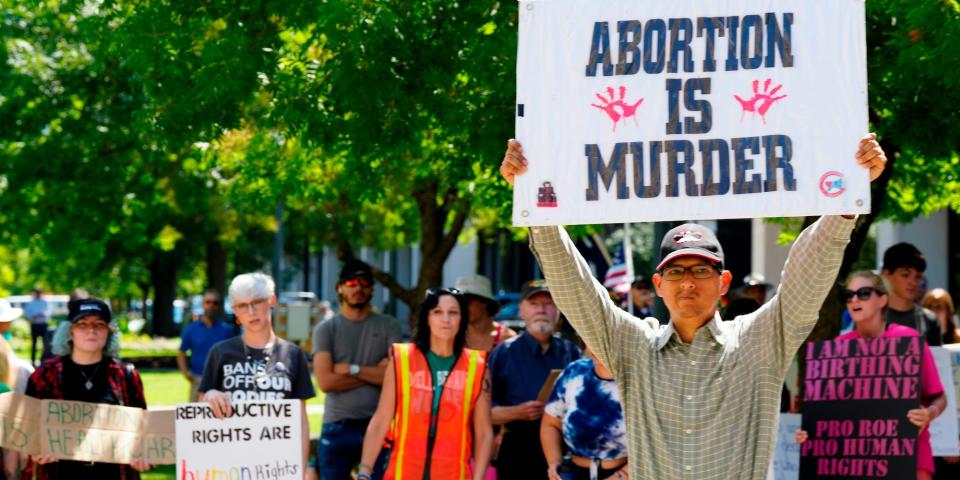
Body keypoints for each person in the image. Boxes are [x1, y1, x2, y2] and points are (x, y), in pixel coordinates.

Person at [499, 133, 887, 479]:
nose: (687, 281)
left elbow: (806, 279)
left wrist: (844, 204)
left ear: (723, 283)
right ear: (658, 285)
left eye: (701, 269)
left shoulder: (760, 340)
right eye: (676, 271)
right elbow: (577, 291)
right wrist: (536, 204)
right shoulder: (633, 346)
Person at [795, 271, 947, 480]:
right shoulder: (838, 348)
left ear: (883, 299)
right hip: (854, 466)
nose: (854, 300)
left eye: (864, 293)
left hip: (909, 461)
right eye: (848, 295)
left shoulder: (909, 340)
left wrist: (929, 413)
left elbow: (940, 397)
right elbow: (831, 412)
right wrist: (812, 434)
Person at [359, 288, 494, 480]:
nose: (446, 319)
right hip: (403, 472)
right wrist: (365, 471)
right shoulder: (402, 359)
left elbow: (484, 433)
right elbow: (381, 420)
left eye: (453, 313)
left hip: (453, 474)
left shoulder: (478, 366)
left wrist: (478, 478)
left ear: (462, 319)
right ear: (427, 318)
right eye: (438, 312)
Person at [24, 298, 151, 479]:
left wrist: (144, 453)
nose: (91, 330)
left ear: (109, 331)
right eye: (82, 324)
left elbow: (144, 427)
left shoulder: (125, 376)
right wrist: (35, 450)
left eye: (99, 324)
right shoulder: (44, 376)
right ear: (70, 331)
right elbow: (27, 428)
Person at [200, 273, 315, 470]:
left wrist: (301, 470)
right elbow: (200, 411)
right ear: (235, 311)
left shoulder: (292, 354)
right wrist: (210, 395)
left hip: (278, 466)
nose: (251, 311)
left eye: (257, 302)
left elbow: (301, 422)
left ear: (271, 301)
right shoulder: (220, 352)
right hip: (230, 465)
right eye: (242, 306)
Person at [312, 259, 403, 479]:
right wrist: (377, 372)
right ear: (340, 287)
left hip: (381, 426)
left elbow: (398, 377)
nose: (358, 288)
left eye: (364, 282)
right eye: (351, 282)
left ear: (372, 288)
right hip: (337, 426)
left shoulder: (389, 325)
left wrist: (350, 369)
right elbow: (326, 383)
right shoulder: (326, 329)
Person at [489, 280, 581, 480]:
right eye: (534, 304)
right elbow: (484, 414)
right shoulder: (503, 353)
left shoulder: (571, 352)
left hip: (564, 451)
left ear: (558, 311)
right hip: (517, 450)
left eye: (548, 304)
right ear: (521, 310)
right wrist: (517, 412)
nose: (541, 310)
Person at [541, 347, 628, 480]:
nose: (597, 343)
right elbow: (551, 424)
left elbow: (657, 441)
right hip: (571, 472)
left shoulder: (640, 379)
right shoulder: (573, 372)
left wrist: (623, 475)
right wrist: (555, 464)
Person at [177, 289, 235, 401]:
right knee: (194, 416)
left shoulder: (225, 330)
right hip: (198, 379)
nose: (211, 305)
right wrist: (186, 373)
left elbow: (233, 354)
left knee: (220, 416)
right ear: (203, 304)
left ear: (218, 306)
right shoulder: (192, 329)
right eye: (208, 302)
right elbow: (181, 352)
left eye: (215, 303)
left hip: (220, 381)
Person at [881, 243, 942, 346]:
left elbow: (936, 360)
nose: (912, 282)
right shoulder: (871, 317)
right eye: (905, 275)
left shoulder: (929, 319)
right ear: (887, 274)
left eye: (918, 277)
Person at [455, 274, 517, 351]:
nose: (462, 307)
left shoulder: (507, 338)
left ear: (485, 302)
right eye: (458, 302)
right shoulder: (452, 336)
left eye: (466, 302)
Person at [24, 288, 51, 366]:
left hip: (43, 324)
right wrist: (34, 316)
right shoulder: (31, 303)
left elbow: (48, 312)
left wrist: (42, 314)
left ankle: (43, 360)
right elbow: (27, 313)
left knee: (45, 343)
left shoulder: (45, 302)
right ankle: (33, 361)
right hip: (34, 324)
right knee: (34, 344)